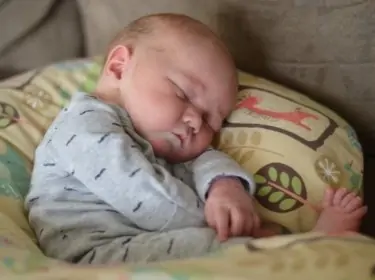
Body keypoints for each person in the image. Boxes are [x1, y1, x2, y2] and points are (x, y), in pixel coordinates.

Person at [25, 13, 367, 265]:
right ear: (118, 67)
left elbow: (201, 159)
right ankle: (309, 249)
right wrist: (223, 224)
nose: (195, 122)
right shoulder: (84, 127)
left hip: (144, 241)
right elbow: (144, 197)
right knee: (223, 247)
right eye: (184, 94)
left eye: (212, 121)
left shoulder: (156, 137)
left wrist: (226, 187)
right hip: (94, 256)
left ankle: (307, 250)